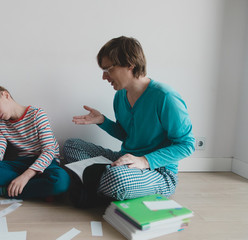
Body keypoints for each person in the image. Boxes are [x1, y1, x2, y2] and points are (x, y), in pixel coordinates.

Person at [63, 36, 195, 201]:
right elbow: (128, 135)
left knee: (117, 178)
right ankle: (96, 184)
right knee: (71, 145)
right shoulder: (119, 97)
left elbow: (187, 145)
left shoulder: (165, 97)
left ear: (129, 64)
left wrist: (144, 161)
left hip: (158, 172)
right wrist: (103, 121)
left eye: (108, 70)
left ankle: (86, 184)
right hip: (125, 160)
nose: (104, 77)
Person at [0, 86, 70, 200]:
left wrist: (25, 177)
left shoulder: (37, 114)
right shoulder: (2, 126)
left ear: (6, 95)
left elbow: (49, 151)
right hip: (21, 164)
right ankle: (36, 189)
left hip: (46, 164)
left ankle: (2, 190)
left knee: (61, 181)